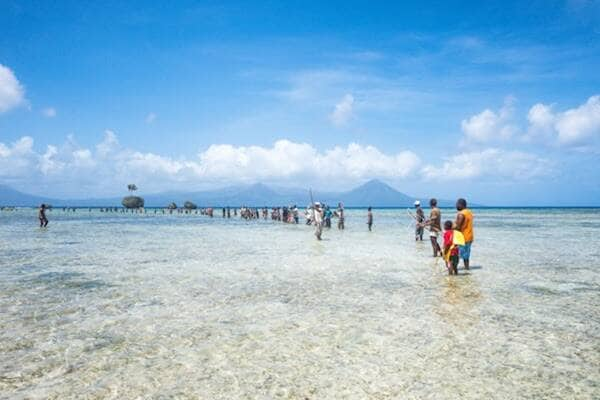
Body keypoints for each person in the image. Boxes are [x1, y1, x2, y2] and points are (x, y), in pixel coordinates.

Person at [454, 198, 474, 270]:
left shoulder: (461, 214)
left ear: (461, 205)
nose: (456, 206)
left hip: (462, 238)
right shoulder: (469, 212)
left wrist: (450, 230)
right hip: (469, 237)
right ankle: (467, 268)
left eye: (457, 204)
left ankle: (454, 270)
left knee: (456, 255)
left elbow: (458, 227)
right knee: (466, 256)